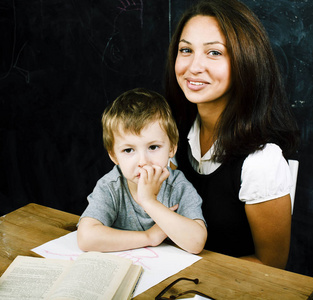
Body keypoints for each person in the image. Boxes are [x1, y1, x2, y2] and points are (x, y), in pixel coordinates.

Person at [165, 0, 300, 269]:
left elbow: (271, 267)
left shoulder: (262, 161)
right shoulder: (171, 134)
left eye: (214, 53)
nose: (193, 66)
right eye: (186, 50)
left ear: (245, 61)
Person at [77, 88, 207, 254]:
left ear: (172, 148)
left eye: (153, 147)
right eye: (129, 150)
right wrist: (148, 237)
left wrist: (149, 201)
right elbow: (86, 238)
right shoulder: (111, 186)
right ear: (113, 156)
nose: (143, 161)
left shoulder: (178, 187)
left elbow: (196, 243)